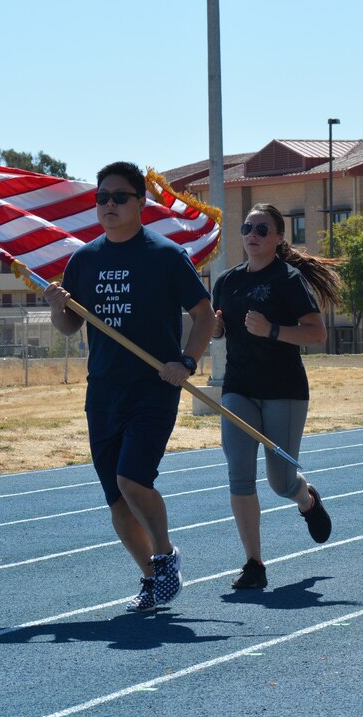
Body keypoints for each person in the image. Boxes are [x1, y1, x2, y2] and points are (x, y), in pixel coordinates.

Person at [43, 161, 215, 612]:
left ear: (141, 203)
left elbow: (204, 316)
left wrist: (187, 361)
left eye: (120, 197)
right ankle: (150, 577)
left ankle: (165, 556)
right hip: (102, 391)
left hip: (153, 386)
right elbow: (68, 326)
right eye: (102, 198)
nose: (110, 205)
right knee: (116, 498)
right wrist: (57, 306)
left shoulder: (163, 255)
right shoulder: (84, 259)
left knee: (132, 478)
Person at [211, 203, 341, 589]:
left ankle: (307, 499)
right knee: (239, 474)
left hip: (283, 389)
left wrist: (271, 330)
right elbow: (220, 332)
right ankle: (254, 563)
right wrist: (217, 330)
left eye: (263, 230)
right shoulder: (227, 282)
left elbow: (317, 334)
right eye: (247, 227)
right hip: (239, 388)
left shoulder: (289, 279)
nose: (253, 235)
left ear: (280, 237)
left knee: (281, 482)